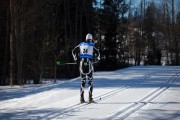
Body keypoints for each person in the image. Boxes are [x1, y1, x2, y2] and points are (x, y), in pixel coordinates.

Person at [72, 33, 100, 103]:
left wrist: (76, 60)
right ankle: (90, 98)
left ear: (86, 38)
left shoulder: (81, 45)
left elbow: (73, 51)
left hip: (81, 65)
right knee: (90, 81)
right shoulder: (92, 45)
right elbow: (98, 53)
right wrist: (97, 59)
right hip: (89, 65)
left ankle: (81, 99)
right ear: (91, 39)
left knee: (83, 82)